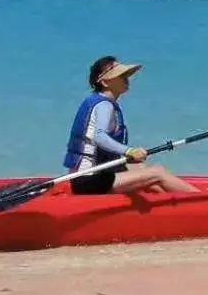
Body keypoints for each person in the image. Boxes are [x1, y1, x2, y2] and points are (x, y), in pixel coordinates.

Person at [63, 56, 197, 195]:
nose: (126, 78)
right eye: (120, 75)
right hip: (89, 180)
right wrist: (128, 151)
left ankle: (173, 206)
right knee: (157, 173)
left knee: (140, 168)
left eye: (126, 74)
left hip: (95, 174)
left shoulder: (99, 102)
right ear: (104, 82)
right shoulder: (105, 106)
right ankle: (204, 203)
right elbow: (99, 136)